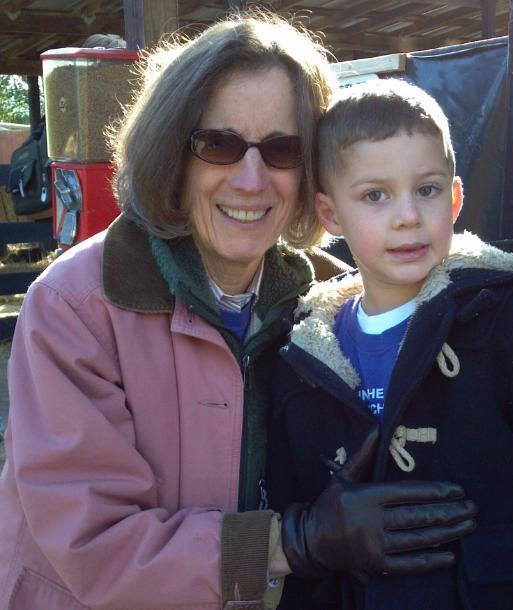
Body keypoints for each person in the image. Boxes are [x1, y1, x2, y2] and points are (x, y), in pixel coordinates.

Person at [0, 14, 477, 610]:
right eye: (219, 145)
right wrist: (294, 545)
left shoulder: (326, 306)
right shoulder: (76, 307)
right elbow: (96, 544)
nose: (251, 180)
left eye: (281, 149)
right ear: (173, 153)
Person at [267, 78, 513, 610]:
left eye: (427, 189)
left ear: (456, 196)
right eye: (376, 195)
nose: (408, 216)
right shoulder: (304, 356)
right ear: (330, 216)